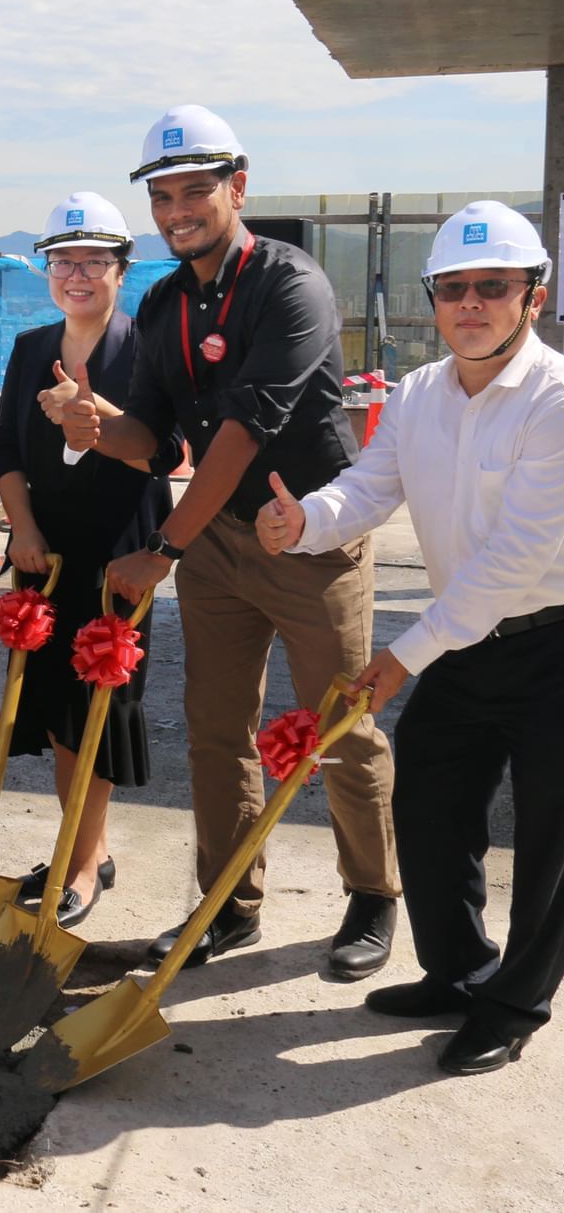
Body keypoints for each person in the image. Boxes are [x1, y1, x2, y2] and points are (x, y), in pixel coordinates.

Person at [52, 106, 399, 976]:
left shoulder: (290, 286)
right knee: (216, 727)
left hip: (308, 535)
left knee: (337, 724)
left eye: (195, 191)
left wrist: (161, 548)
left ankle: (372, 895)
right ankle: (225, 904)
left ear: (235, 187)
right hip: (216, 544)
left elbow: (242, 431)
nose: (176, 210)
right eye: (162, 195)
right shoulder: (164, 301)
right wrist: (95, 426)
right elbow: (158, 441)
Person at [259, 202, 564, 1074]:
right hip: (465, 644)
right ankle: (458, 970)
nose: (471, 303)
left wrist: (401, 655)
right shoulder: (421, 393)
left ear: (529, 298)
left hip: (549, 644)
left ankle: (513, 1005)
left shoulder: (551, 401)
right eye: (454, 288)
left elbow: (515, 557)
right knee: (428, 800)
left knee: (548, 836)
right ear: (433, 299)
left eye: (492, 287)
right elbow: (366, 488)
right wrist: (304, 519)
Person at [0, 194, 178, 925]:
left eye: (94, 261)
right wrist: (21, 528)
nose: (77, 274)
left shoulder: (146, 351)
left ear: (120, 270)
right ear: (46, 269)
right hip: (45, 551)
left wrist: (91, 417)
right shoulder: (30, 349)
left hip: (118, 555)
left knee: (94, 708)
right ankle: (84, 846)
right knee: (52, 711)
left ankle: (79, 866)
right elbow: (7, 449)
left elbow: (163, 454)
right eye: (63, 260)